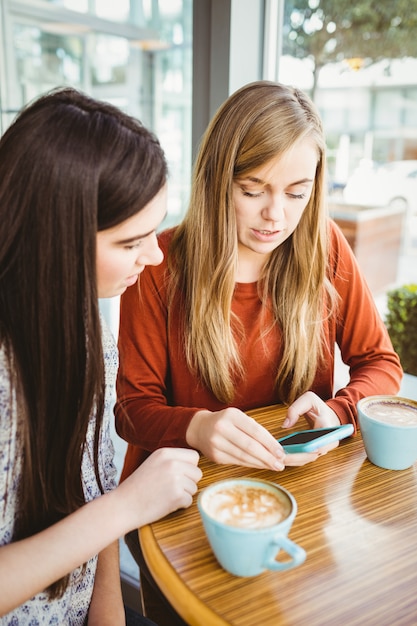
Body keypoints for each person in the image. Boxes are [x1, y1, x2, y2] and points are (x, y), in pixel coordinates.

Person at [114, 80, 402, 625]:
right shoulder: (157, 264)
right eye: (253, 189)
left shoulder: (324, 246)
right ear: (217, 179)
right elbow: (131, 410)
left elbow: (381, 365)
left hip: (298, 497)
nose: (276, 215)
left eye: (297, 192)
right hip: (183, 512)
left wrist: (338, 413)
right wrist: (198, 428)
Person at [0, 88, 202, 625]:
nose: (156, 256)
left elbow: (96, 483)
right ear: (57, 238)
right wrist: (129, 506)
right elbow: (112, 506)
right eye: (132, 242)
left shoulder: (87, 329)